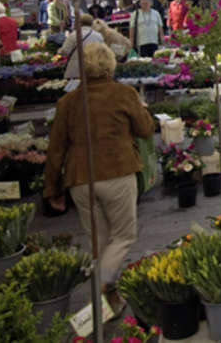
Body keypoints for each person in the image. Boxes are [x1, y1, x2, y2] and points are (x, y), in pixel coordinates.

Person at [44, 43, 155, 309]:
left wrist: (52, 189)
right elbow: (146, 130)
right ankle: (102, 285)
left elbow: (56, 149)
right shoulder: (123, 94)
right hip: (117, 171)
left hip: (81, 178)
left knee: (100, 242)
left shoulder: (68, 102)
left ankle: (110, 302)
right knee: (124, 236)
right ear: (109, 65)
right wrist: (143, 108)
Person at [60, 14, 105, 81]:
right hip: (93, 70)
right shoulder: (99, 35)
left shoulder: (74, 35)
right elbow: (103, 52)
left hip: (76, 70)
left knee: (77, 90)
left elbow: (65, 51)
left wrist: (59, 51)